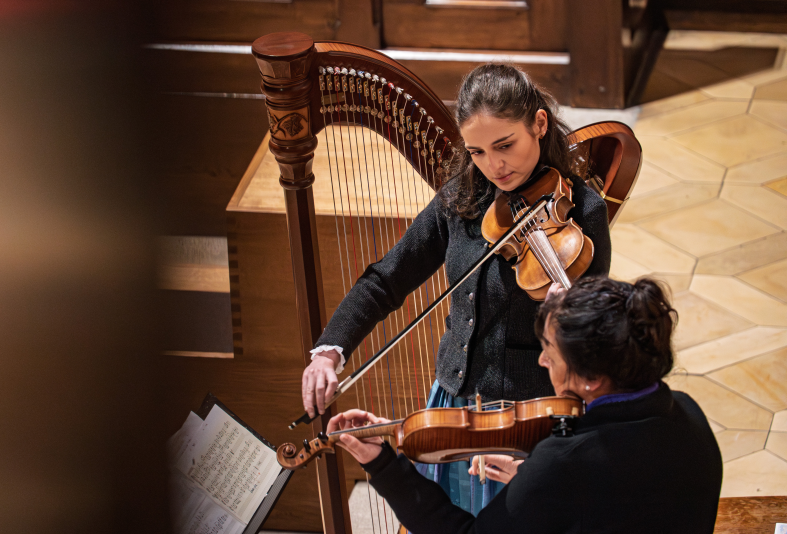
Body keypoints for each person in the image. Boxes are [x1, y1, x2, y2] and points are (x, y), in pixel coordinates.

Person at [302, 64, 612, 512]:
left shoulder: (582, 210)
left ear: (540, 124)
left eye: (505, 145)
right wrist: (330, 350)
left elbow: (597, 342)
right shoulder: (462, 197)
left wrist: (569, 315)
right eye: (477, 151)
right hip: (453, 406)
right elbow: (387, 278)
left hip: (529, 418)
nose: (494, 166)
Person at [329, 277, 724, 533]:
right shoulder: (689, 413)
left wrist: (382, 464)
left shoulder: (563, 463)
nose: (542, 360)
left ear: (591, 377)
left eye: (550, 350)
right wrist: (539, 489)